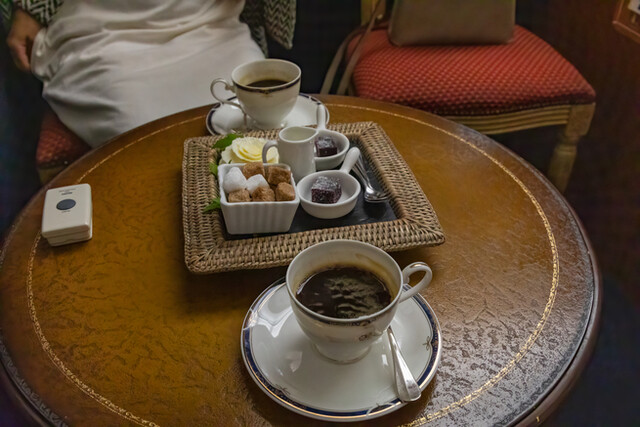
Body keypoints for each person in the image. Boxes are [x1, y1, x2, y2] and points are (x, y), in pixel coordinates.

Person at [3, 0, 296, 147]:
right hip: (103, 32)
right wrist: (28, 7)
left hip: (210, 20)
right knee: (145, 133)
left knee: (257, 114)